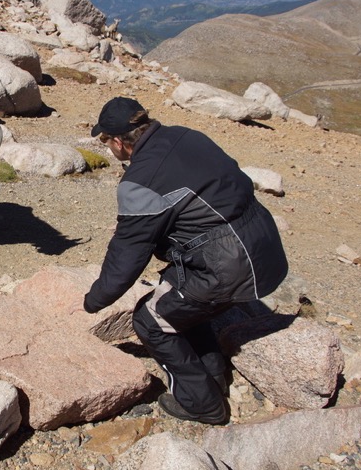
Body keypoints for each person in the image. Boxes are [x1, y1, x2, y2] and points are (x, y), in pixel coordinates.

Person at [83, 97, 288, 425]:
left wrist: (95, 300)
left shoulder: (141, 181)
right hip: (264, 245)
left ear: (119, 142)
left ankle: (202, 404)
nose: (107, 147)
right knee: (182, 301)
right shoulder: (186, 135)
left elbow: (128, 254)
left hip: (231, 264)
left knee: (150, 320)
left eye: (105, 140)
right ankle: (213, 374)